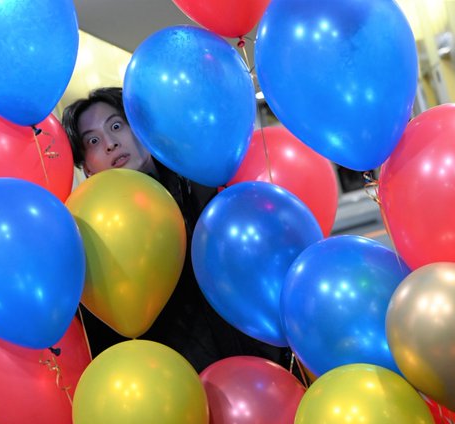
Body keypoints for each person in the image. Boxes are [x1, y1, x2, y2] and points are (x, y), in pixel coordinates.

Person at [62, 87, 294, 374]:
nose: (111, 143)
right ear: (87, 168)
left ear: (141, 128)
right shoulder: (88, 236)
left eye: (117, 126)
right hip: (173, 380)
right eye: (93, 141)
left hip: (257, 361)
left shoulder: (202, 182)